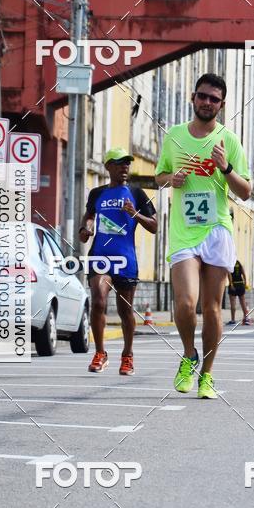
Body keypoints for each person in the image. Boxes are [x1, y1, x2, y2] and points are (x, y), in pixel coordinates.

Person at [155, 73, 251, 399]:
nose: (207, 102)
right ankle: (189, 354)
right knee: (185, 303)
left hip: (217, 231)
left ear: (221, 105)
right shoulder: (175, 136)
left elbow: (246, 192)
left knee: (211, 309)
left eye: (214, 99)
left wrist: (226, 168)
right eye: (202, 96)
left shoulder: (229, 141)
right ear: (193, 98)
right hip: (184, 232)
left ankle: (207, 375)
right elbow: (159, 176)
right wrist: (171, 179)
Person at [79, 147, 157, 375]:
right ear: (108, 166)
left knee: (125, 311)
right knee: (98, 301)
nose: (125, 166)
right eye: (120, 162)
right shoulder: (97, 193)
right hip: (100, 257)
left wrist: (135, 214)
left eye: (127, 163)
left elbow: (154, 226)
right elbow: (89, 216)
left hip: (125, 259)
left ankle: (127, 355)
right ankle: (100, 353)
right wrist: (86, 228)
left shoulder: (136, 193)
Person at [227, 259, 251, 325]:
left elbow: (229, 275)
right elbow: (243, 274)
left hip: (233, 284)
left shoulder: (229, 263)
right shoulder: (239, 263)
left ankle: (233, 320)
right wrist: (245, 283)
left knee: (233, 303)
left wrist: (231, 284)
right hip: (240, 284)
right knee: (243, 303)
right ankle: (246, 319)